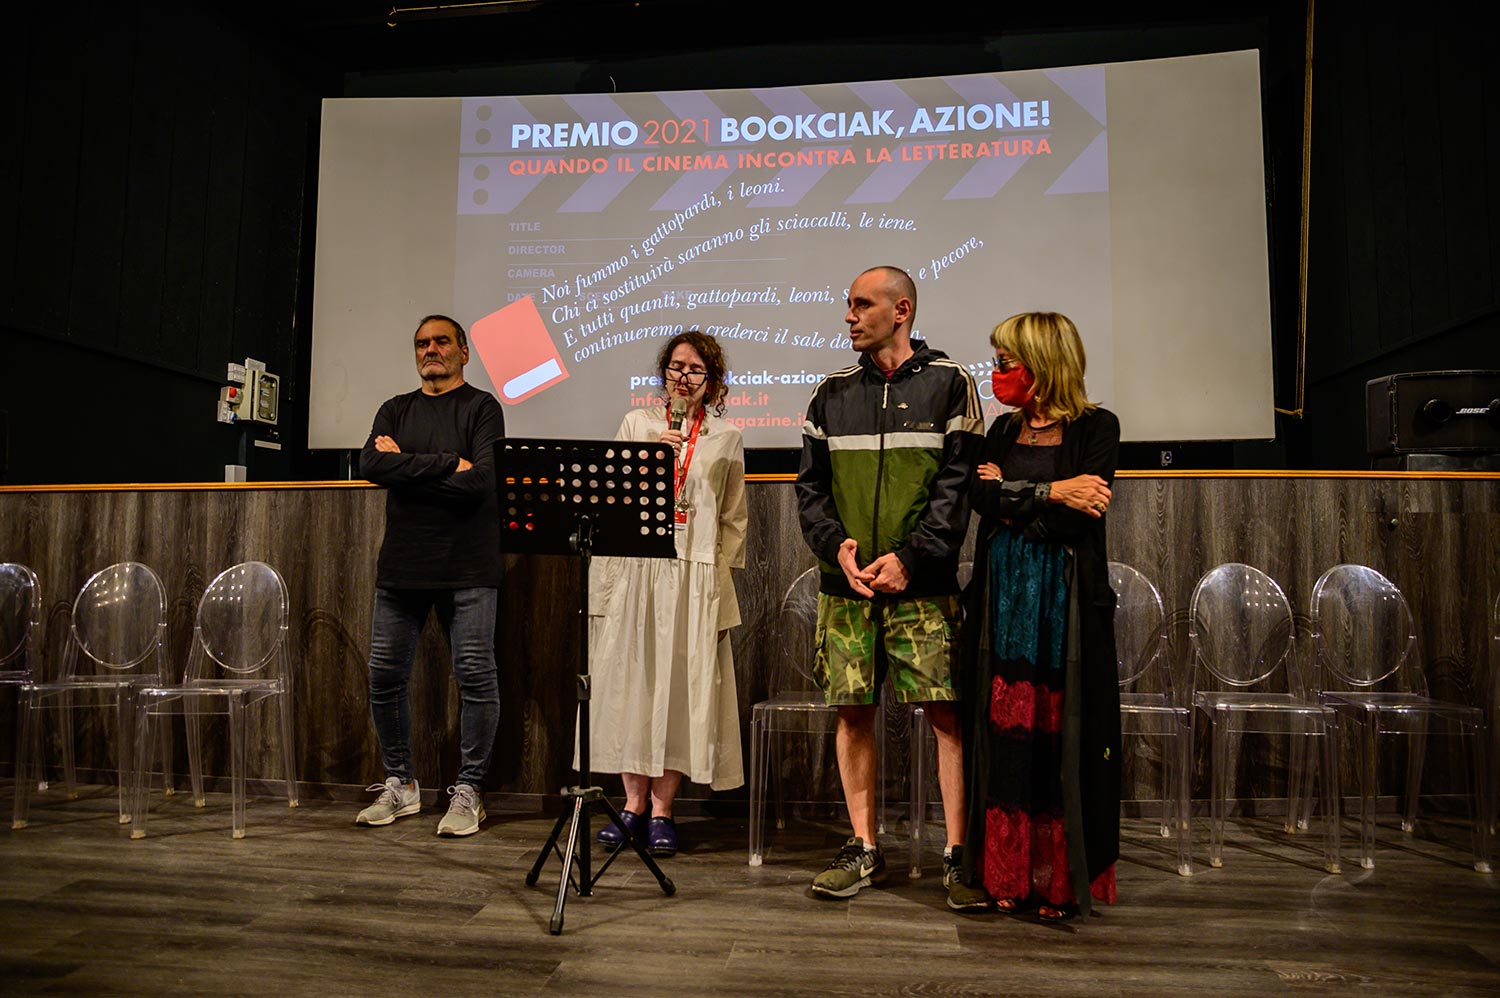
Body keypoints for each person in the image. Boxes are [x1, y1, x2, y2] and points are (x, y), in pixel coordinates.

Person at [795, 265, 991, 911]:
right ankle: (863, 847)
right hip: (846, 589)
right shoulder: (830, 393)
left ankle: (959, 855)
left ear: (901, 310)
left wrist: (912, 558)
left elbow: (956, 488)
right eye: (848, 305)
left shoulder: (951, 384)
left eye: (861, 304)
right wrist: (837, 548)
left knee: (946, 716)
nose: (848, 316)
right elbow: (811, 490)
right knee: (852, 712)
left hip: (923, 588)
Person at [961, 310, 1121, 921]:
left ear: (1042, 363)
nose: (997, 371)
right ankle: (1004, 874)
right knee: (1006, 736)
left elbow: (1082, 516)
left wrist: (1015, 503)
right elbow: (981, 497)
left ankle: (1056, 885)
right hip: (1003, 600)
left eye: (1006, 361)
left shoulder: (1097, 427)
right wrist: (1053, 491)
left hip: (1065, 605)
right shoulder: (1003, 430)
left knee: (1061, 733)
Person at [584, 329, 748, 858]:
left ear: (712, 381)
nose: (684, 377)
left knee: (681, 691)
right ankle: (631, 805)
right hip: (640, 569)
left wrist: (718, 585)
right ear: (663, 374)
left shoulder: (727, 437)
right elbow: (608, 497)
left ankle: (662, 810)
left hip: (694, 577)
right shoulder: (637, 424)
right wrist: (649, 459)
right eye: (677, 367)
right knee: (634, 687)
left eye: (696, 369)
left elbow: (733, 519)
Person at [354, 314, 506, 838]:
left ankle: (470, 791)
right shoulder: (394, 409)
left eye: (442, 341)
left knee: (475, 676)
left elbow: (480, 482)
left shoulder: (482, 407)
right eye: (422, 343)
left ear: (464, 351)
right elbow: (371, 465)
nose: (431, 350)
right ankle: (401, 783)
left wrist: (407, 467)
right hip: (403, 565)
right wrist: (446, 463)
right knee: (384, 676)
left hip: (469, 564)